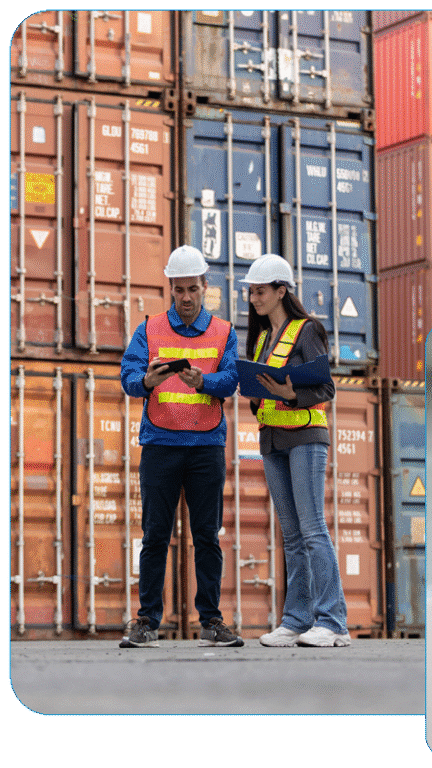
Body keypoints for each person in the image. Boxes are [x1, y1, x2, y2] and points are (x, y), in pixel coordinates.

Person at [120, 245, 243, 648]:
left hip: (206, 445)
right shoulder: (149, 329)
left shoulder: (224, 332)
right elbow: (128, 376)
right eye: (179, 290)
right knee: (155, 535)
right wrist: (147, 382)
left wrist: (203, 382)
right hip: (161, 444)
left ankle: (211, 621)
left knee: (206, 536)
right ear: (170, 289)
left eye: (193, 289)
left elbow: (231, 380)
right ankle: (146, 622)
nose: (186, 298)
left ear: (205, 286)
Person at [240, 254, 350, 647]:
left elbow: (326, 389)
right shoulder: (262, 338)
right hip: (272, 440)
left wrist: (290, 393)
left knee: (312, 530)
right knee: (291, 537)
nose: (253, 298)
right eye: (250, 291)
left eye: (260, 291)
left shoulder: (308, 330)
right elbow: (260, 392)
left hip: (305, 438)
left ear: (281, 291)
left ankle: (333, 622)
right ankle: (296, 620)